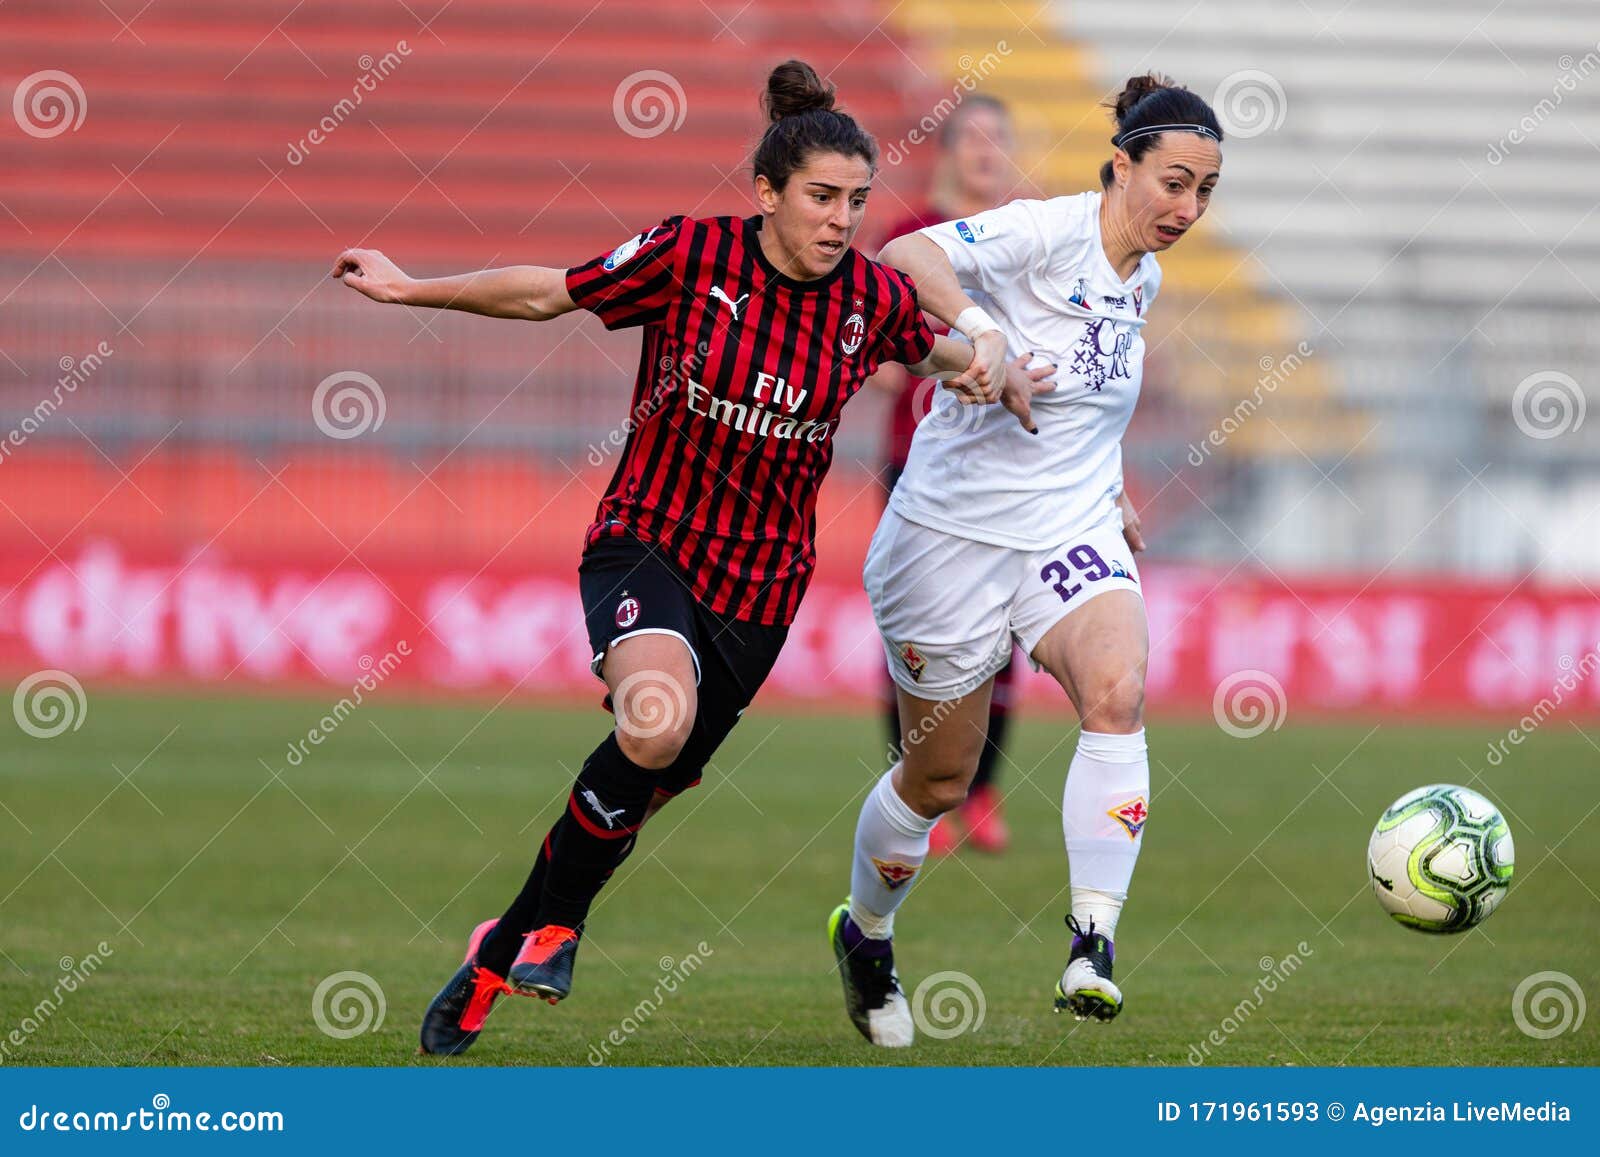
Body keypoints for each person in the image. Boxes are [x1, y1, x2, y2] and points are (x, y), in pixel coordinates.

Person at [332, 59, 1050, 1057]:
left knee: (647, 776)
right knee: (653, 721)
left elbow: (923, 349)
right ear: (765, 193)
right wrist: (411, 291)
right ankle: (557, 927)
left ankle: (503, 942)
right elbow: (550, 294)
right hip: (649, 540)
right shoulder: (687, 253)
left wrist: (987, 371)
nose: (841, 217)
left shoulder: (870, 300)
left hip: (761, 586)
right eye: (820, 197)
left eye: (854, 199)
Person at [828, 73, 1221, 1047]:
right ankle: (866, 931)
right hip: (947, 538)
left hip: (1065, 530)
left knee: (1117, 688)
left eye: (1205, 191)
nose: (1186, 208)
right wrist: (984, 335)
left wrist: (1112, 487)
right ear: (1119, 165)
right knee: (937, 782)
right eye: (1171, 182)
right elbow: (904, 251)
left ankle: (1093, 940)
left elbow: (1091, 399)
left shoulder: (1146, 277)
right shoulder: (1041, 231)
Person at [869, 94, 1019, 856]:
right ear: (950, 152)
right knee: (914, 632)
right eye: (976, 138)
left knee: (1004, 632)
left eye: (1002, 139)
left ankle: (982, 790)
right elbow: (870, 339)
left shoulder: (1024, 242)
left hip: (1007, 471)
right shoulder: (907, 237)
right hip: (919, 468)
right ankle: (915, 789)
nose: (989, 151)